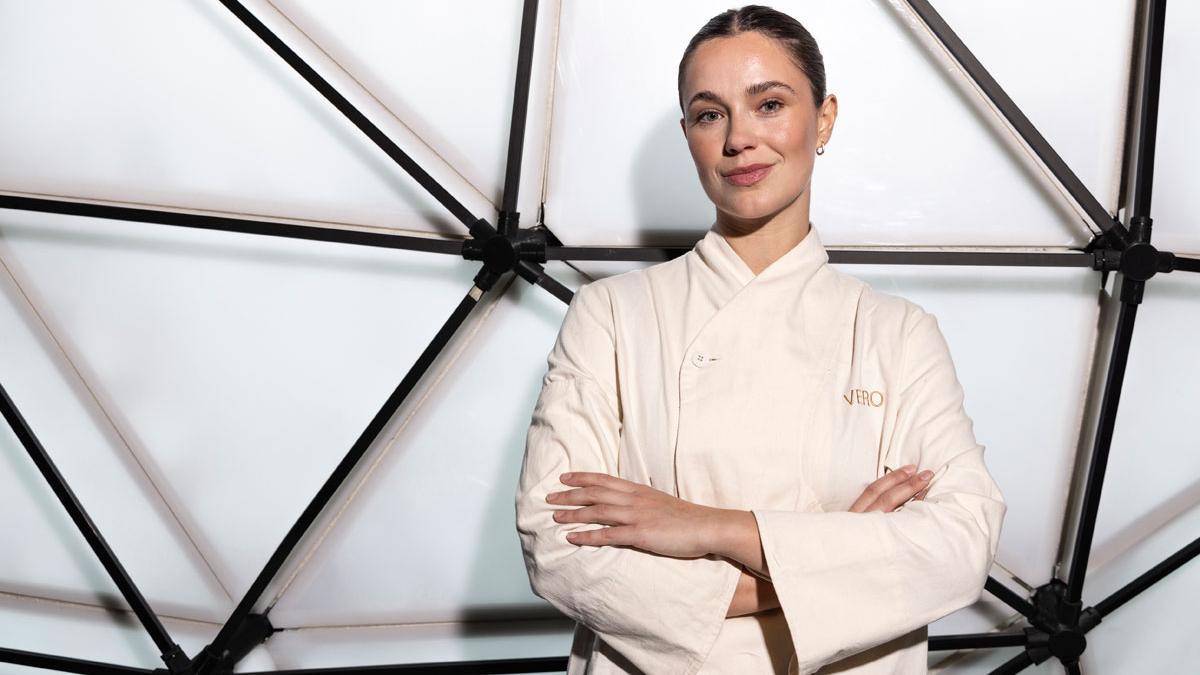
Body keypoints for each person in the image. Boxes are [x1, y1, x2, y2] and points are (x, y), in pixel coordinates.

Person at [514, 5, 1007, 674]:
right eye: (709, 114)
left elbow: (960, 542)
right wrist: (833, 563)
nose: (739, 139)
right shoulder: (610, 315)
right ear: (688, 132)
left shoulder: (897, 332)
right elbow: (560, 543)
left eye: (769, 103)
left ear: (823, 118)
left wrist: (709, 525)